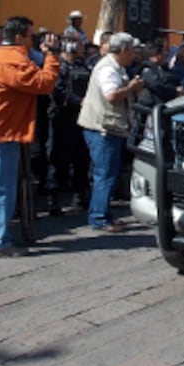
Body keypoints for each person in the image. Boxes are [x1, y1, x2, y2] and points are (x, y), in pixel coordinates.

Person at [0, 16, 59, 257]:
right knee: (1, 189)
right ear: (18, 37)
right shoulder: (12, 60)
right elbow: (43, 83)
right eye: (29, 36)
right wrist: (52, 57)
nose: (31, 42)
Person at [77, 32, 144, 232]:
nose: (134, 54)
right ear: (123, 50)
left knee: (108, 174)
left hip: (109, 127)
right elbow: (111, 96)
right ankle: (99, 218)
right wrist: (131, 87)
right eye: (132, 50)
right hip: (102, 128)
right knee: (105, 174)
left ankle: (103, 214)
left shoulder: (117, 67)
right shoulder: (108, 69)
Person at [49, 34, 92, 213]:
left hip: (82, 118)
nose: (83, 48)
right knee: (60, 160)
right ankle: (55, 199)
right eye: (80, 45)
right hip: (63, 118)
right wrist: (78, 101)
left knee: (82, 158)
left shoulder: (84, 66)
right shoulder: (59, 66)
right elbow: (57, 91)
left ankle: (80, 196)